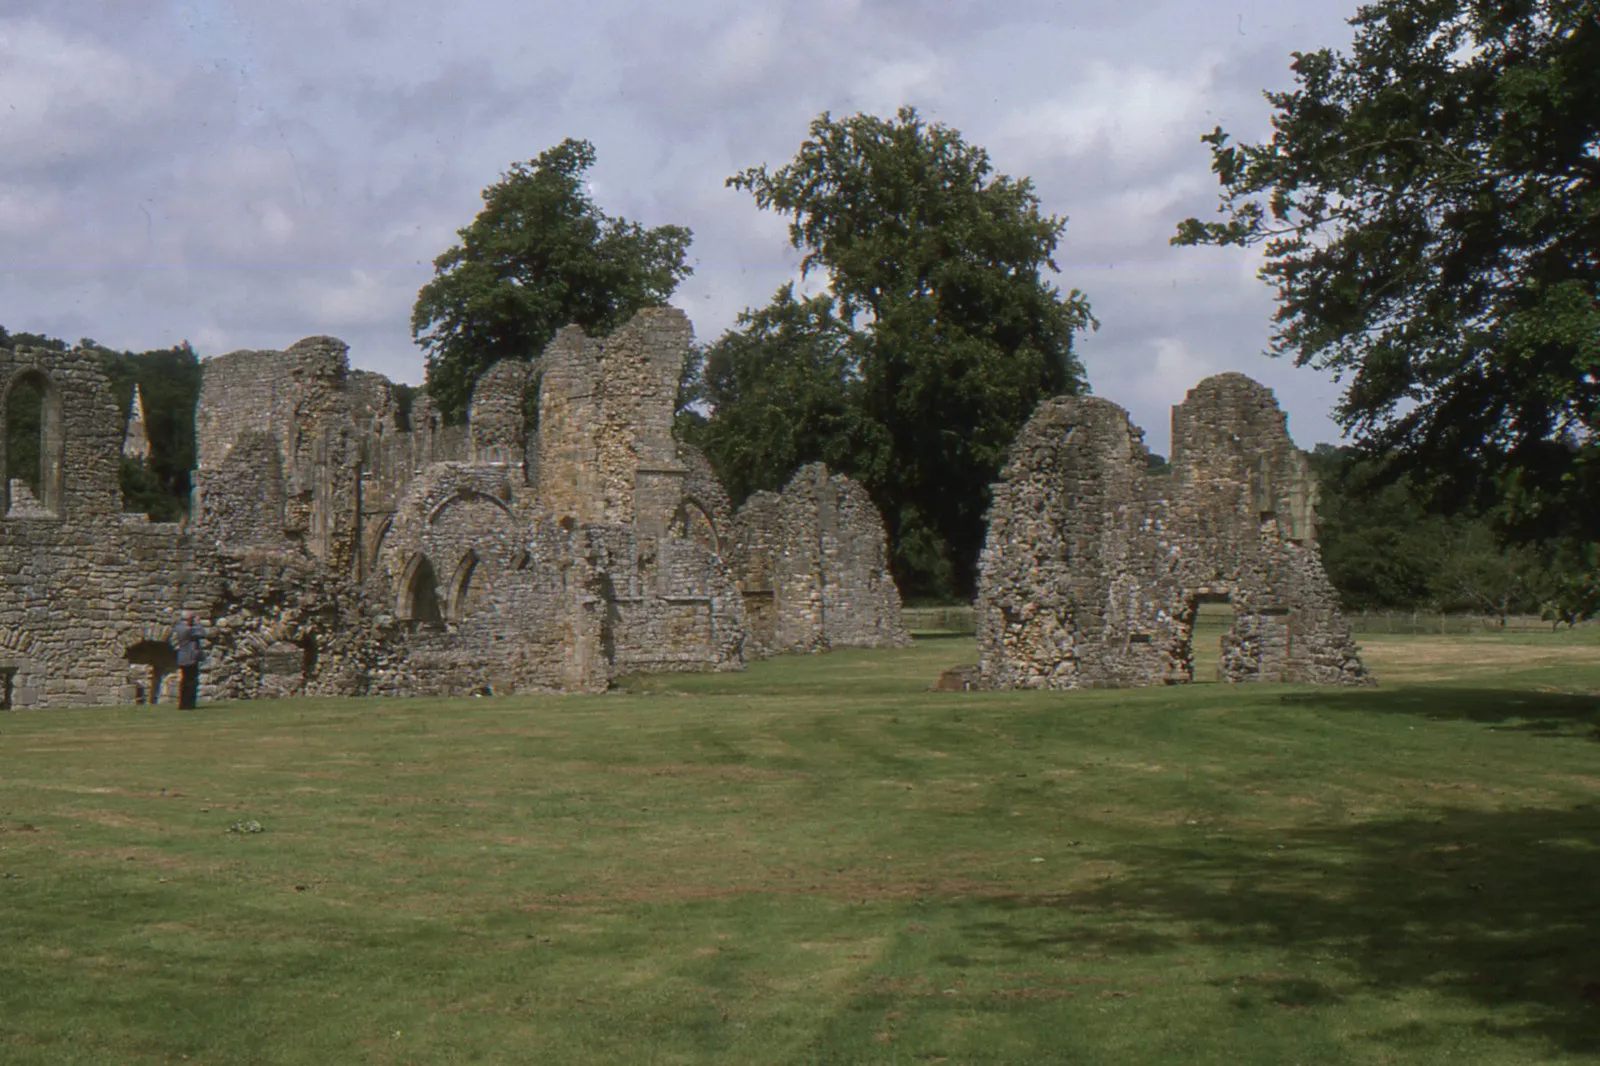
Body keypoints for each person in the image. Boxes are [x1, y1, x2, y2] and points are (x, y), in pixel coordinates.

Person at [173, 611, 205, 710]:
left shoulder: (178, 627)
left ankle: (183, 703)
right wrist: (198, 623)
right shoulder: (188, 629)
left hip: (182, 656)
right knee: (191, 681)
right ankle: (189, 703)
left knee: (184, 680)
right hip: (190, 657)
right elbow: (202, 633)